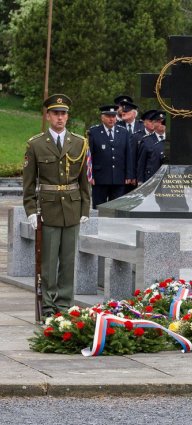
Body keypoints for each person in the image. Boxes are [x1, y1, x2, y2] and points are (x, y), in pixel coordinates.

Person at [23, 94, 90, 315]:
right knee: (49, 262)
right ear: (48, 115)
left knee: (69, 261)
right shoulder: (36, 144)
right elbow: (29, 183)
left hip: (72, 208)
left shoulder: (79, 143)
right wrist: (31, 210)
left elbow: (84, 180)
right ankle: (49, 307)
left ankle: (64, 304)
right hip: (49, 209)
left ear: (67, 117)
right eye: (56, 113)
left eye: (63, 114)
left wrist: (85, 208)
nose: (60, 118)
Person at [87, 104, 135, 207]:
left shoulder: (124, 132)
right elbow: (90, 155)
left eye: (113, 116)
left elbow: (128, 155)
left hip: (119, 178)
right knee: (99, 208)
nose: (111, 119)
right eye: (108, 116)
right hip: (100, 178)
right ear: (102, 117)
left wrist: (129, 174)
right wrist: (91, 175)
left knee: (116, 209)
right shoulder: (93, 132)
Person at [137, 111, 167, 184]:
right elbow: (141, 163)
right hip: (151, 179)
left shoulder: (173, 139)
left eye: (163, 122)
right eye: (158, 121)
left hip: (168, 180)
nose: (161, 124)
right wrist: (140, 181)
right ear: (153, 124)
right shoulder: (146, 140)